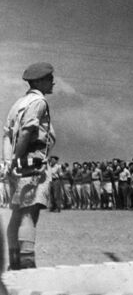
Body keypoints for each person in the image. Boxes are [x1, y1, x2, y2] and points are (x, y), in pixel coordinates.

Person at [2, 62, 56, 269]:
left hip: (17, 166)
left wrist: (9, 162)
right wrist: (18, 158)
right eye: (50, 79)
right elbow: (27, 130)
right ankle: (27, 263)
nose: (53, 82)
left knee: (17, 213)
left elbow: (7, 135)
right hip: (32, 162)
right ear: (40, 81)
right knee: (29, 213)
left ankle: (14, 261)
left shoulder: (19, 103)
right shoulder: (39, 102)